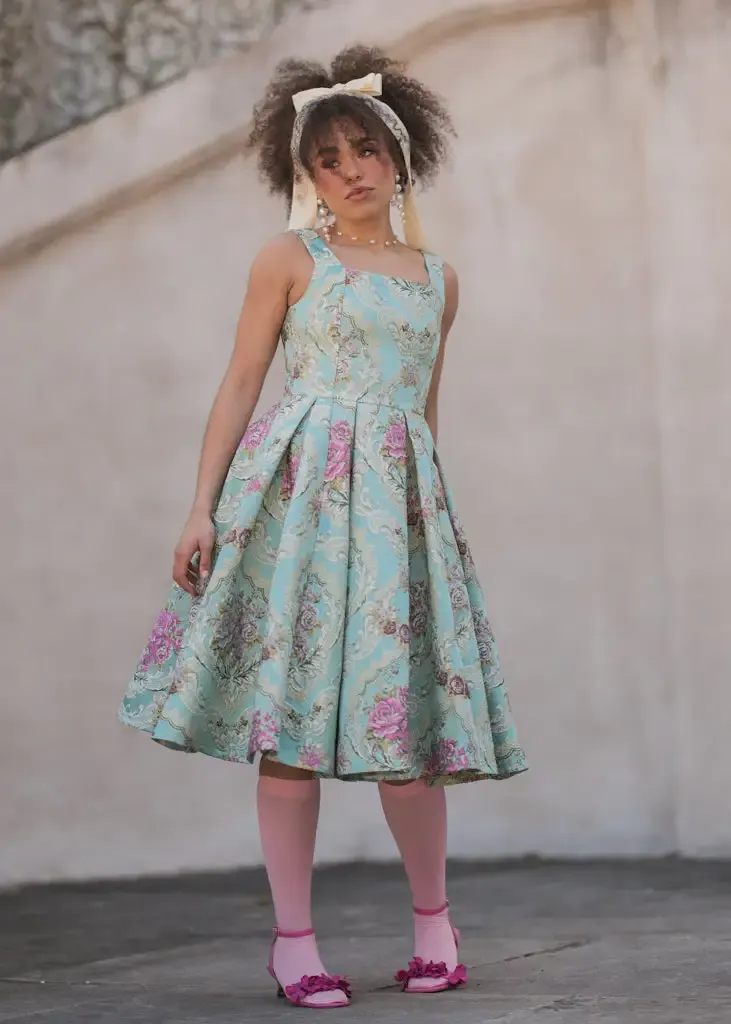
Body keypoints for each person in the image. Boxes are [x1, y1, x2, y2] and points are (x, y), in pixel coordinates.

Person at [119, 45, 527, 1009]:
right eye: (328, 159)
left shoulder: (438, 281)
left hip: (397, 515)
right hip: (295, 505)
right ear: (305, 174)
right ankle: (294, 944)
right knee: (289, 726)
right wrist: (200, 507)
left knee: (405, 726)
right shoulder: (286, 260)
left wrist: (429, 530)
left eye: (365, 151)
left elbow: (421, 411)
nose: (350, 172)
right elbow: (240, 384)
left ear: (400, 155)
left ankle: (435, 930)